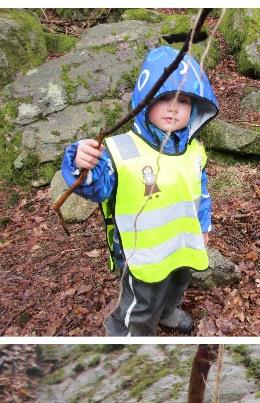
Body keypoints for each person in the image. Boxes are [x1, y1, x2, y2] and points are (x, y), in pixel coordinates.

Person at [62, 46, 218, 336]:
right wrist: (80, 164)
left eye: (183, 100)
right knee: (142, 302)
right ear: (145, 102)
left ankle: (169, 311)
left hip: (182, 243)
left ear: (195, 108)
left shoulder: (194, 151)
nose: (174, 107)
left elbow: (201, 192)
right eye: (164, 98)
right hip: (141, 253)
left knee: (177, 283)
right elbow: (97, 186)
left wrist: (204, 225)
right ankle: (126, 333)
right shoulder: (121, 150)